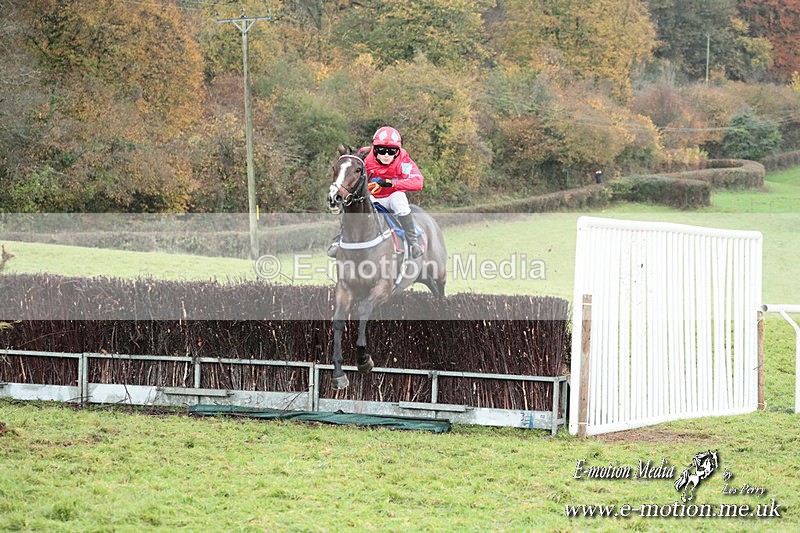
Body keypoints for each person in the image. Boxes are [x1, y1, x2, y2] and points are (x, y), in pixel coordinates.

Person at [328, 126, 425, 259]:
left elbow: (418, 182)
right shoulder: (365, 157)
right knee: (354, 203)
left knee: (400, 202)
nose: (386, 154)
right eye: (382, 150)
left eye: (391, 151)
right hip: (371, 196)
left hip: (392, 195)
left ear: (398, 151)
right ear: (374, 148)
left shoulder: (403, 160)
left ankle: (413, 243)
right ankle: (340, 239)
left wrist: (392, 183)